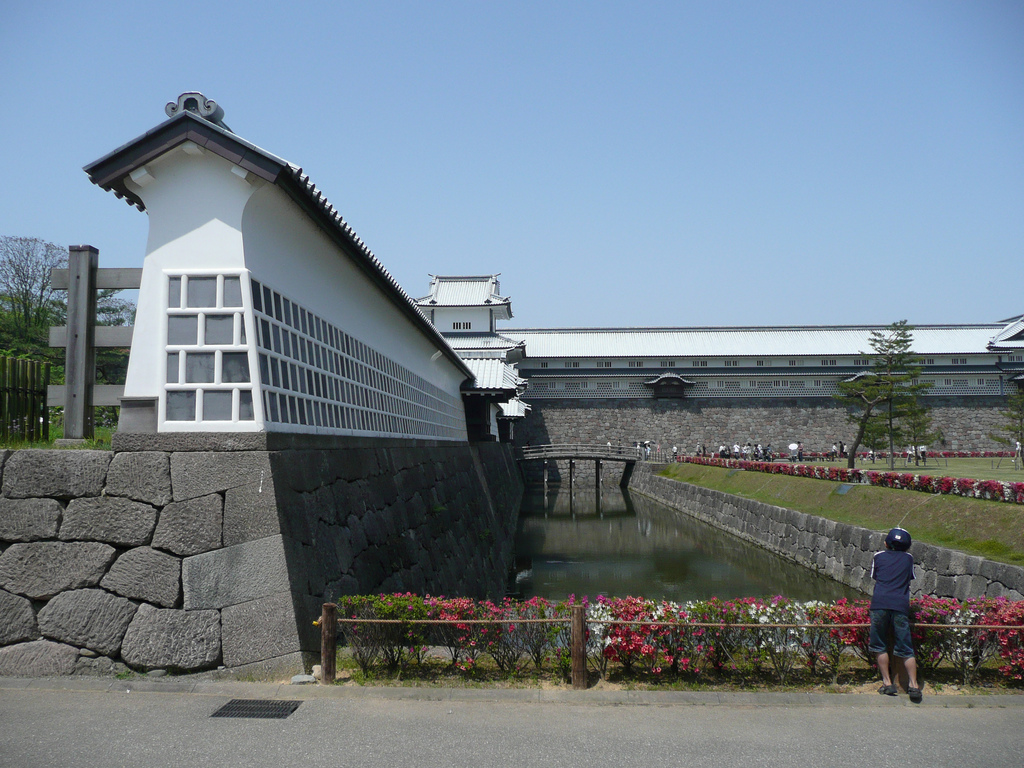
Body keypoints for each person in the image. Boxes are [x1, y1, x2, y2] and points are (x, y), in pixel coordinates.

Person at [869, 527, 923, 703]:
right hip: (900, 605)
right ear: (907, 546)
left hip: (879, 603)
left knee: (879, 644)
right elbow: (910, 577)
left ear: (886, 543)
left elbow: (875, 576)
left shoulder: (878, 556)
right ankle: (914, 685)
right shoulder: (908, 559)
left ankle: (887, 682)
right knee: (905, 645)